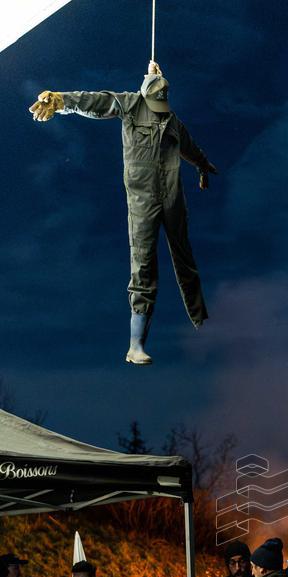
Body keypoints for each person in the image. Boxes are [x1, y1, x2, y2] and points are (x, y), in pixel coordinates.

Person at [29, 61, 217, 365]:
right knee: (143, 267)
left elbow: (190, 148)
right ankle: (135, 346)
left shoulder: (172, 121)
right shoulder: (130, 103)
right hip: (142, 201)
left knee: (185, 256)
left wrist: (203, 166)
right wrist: (62, 100)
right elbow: (96, 101)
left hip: (172, 198)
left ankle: (199, 319)